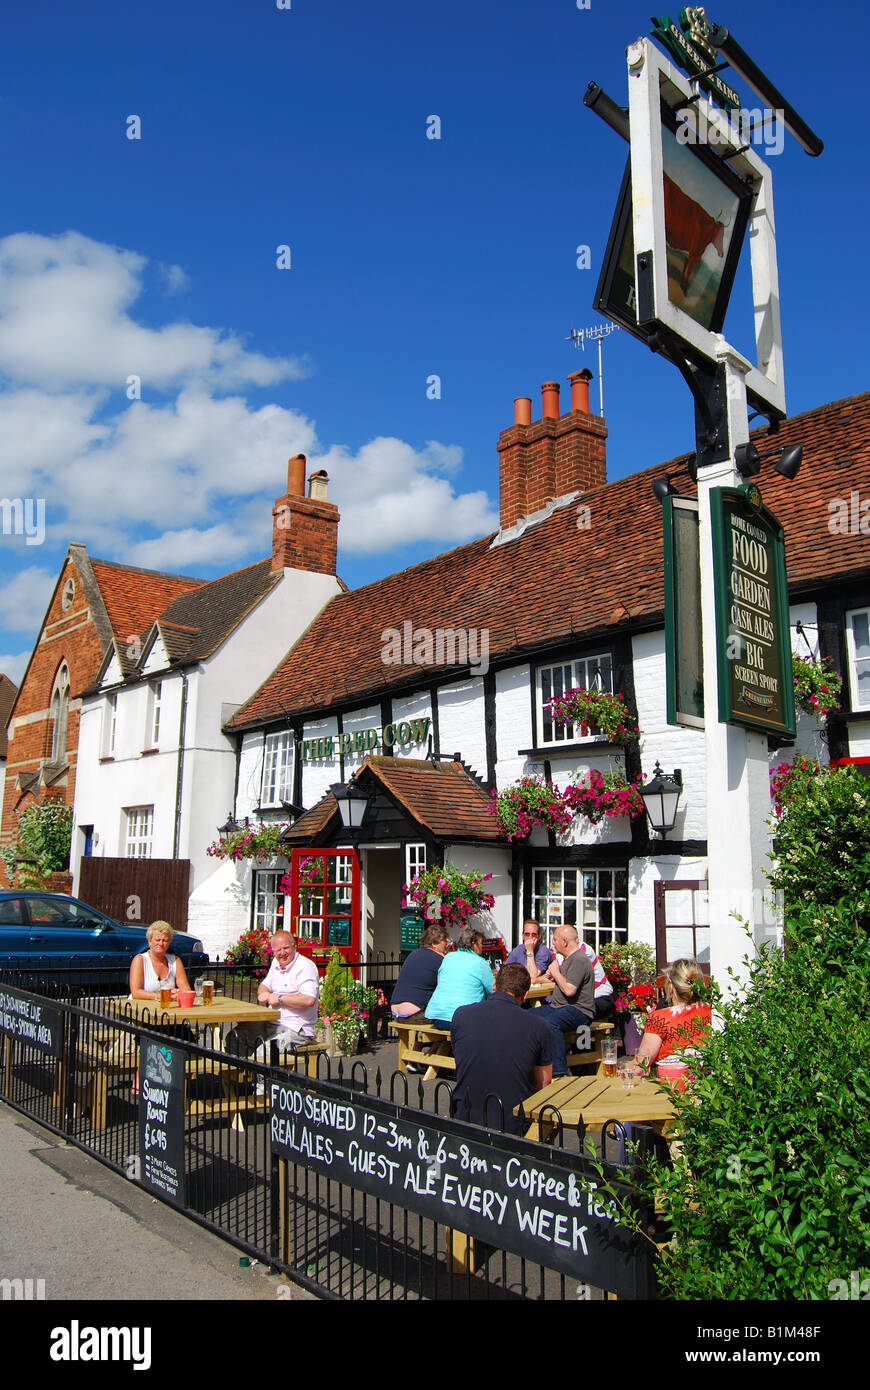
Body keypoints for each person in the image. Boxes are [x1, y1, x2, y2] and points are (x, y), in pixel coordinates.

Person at [451, 964, 552, 1135]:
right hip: (513, 1125)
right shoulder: (538, 1026)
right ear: (525, 995)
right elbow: (543, 1082)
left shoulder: (461, 1015)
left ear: (494, 985)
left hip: (465, 1117)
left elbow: (461, 1060)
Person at [227, 930, 319, 1057]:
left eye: (286, 948)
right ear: (273, 951)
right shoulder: (276, 963)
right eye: (278, 950)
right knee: (236, 1037)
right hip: (272, 1023)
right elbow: (264, 986)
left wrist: (280, 998)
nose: (282, 953)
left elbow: (308, 1000)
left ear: (294, 946)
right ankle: (241, 1074)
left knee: (262, 1054)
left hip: (297, 1030)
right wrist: (263, 992)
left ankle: (262, 1076)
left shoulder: (305, 967)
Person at [536, 924, 594, 1077]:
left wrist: (555, 972)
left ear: (564, 941)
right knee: (525, 1017)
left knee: (551, 1023)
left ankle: (559, 1073)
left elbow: (569, 990)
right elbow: (561, 983)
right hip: (559, 1006)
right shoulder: (569, 959)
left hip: (579, 1010)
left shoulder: (579, 959)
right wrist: (547, 976)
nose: (552, 943)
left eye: (554, 940)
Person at [633, 958, 711, 1069]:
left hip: (670, 1083)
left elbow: (641, 1064)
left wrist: (625, 1066)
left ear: (671, 988)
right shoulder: (712, 1013)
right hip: (706, 1082)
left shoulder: (660, 1019)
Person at [424, 927, 494, 1029]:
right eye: (481, 943)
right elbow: (493, 990)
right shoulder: (480, 962)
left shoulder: (448, 957)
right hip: (464, 1019)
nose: (482, 948)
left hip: (438, 1017)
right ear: (473, 943)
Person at [390, 923, 451, 1019]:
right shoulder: (439, 959)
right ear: (434, 943)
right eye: (444, 941)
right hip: (414, 1014)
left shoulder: (414, 953)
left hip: (395, 1012)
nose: (447, 944)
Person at [129, 921, 191, 1002]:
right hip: (140, 1009)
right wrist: (161, 996)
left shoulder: (175, 961)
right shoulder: (140, 959)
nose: (161, 943)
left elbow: (186, 990)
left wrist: (178, 993)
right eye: (157, 940)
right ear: (149, 941)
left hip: (166, 1009)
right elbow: (136, 992)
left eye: (164, 940)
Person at [579, 939, 614, 1019]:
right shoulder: (560, 954)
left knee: (577, 1014)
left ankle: (585, 1031)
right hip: (584, 999)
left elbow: (572, 981)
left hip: (600, 996)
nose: (553, 942)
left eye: (556, 939)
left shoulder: (584, 950)